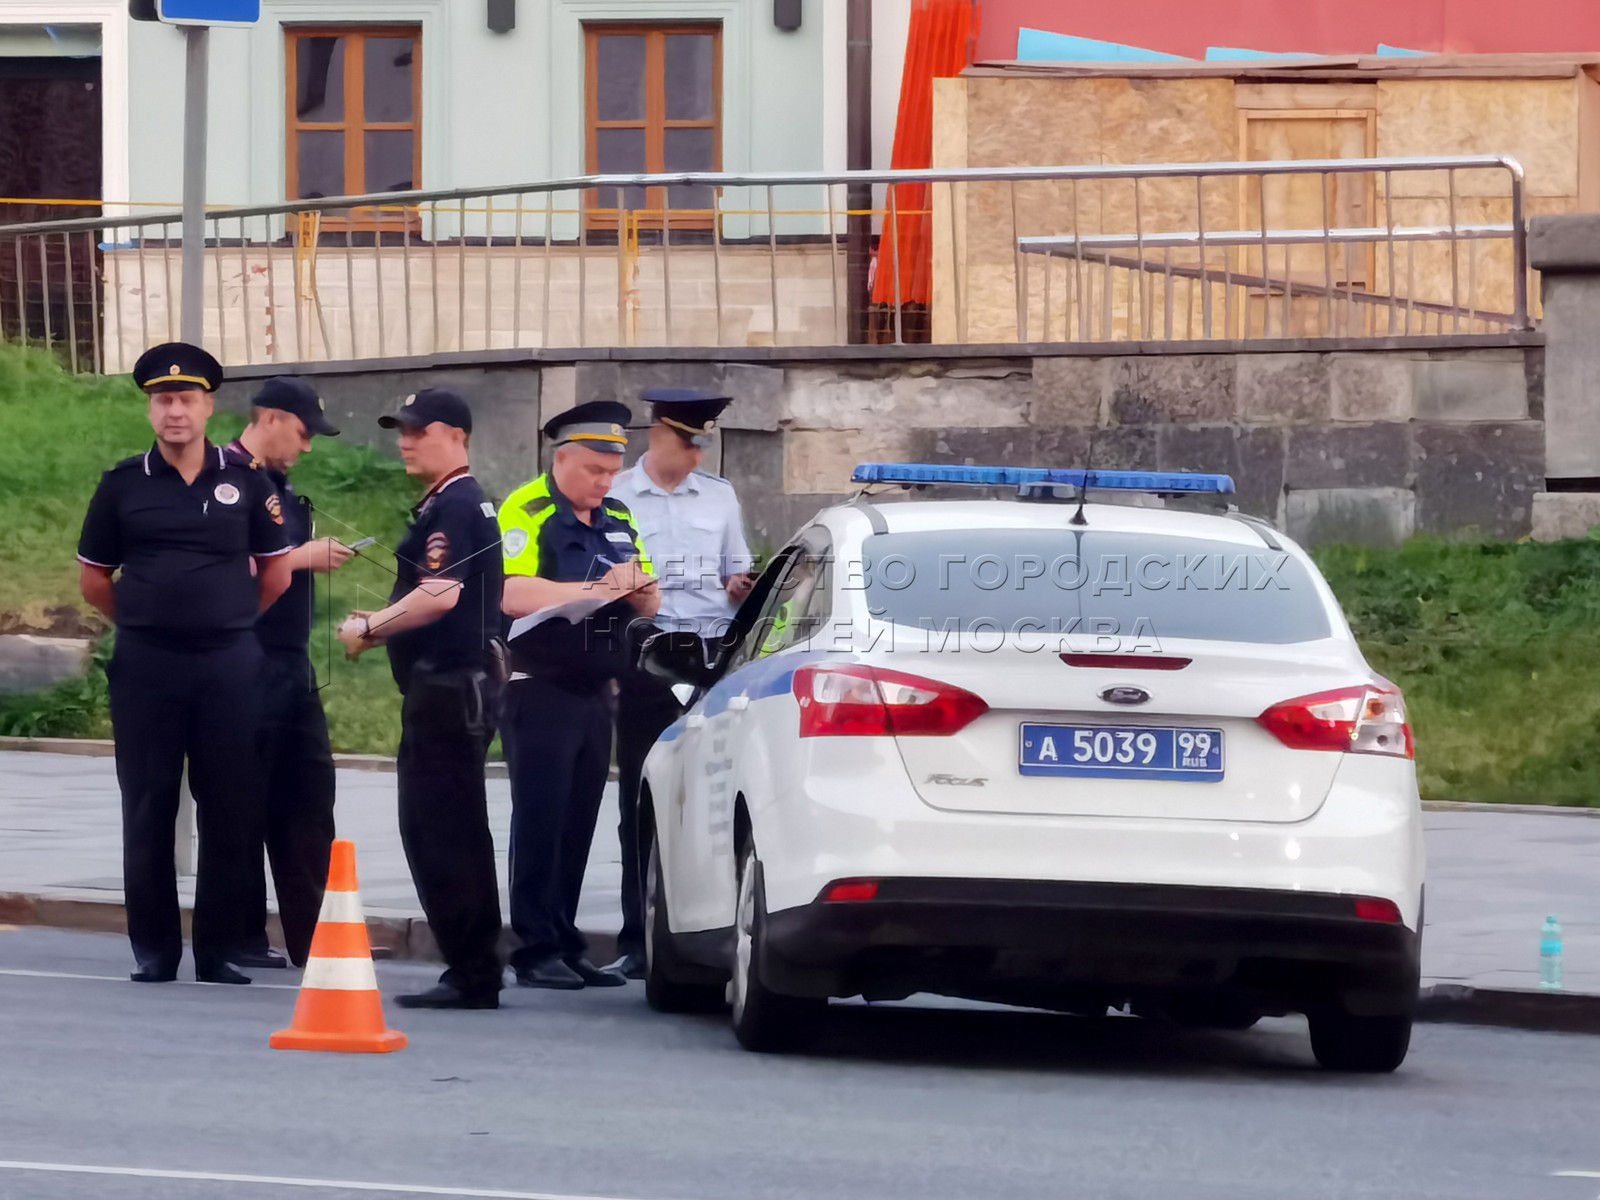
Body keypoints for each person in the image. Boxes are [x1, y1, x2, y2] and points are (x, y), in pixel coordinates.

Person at [76, 342, 293, 985]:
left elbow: (276, 573)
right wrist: (146, 622)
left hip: (229, 665)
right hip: (148, 667)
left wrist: (228, 620)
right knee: (148, 803)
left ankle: (219, 948)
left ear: (208, 407)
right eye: (164, 400)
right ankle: (155, 949)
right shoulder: (122, 484)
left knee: (231, 804)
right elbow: (94, 580)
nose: (175, 411)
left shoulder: (246, 483)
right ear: (151, 409)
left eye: (186, 399)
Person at [336, 389, 505, 1010]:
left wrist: (370, 627)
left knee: (440, 832)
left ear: (456, 436)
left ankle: (471, 970)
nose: (405, 441)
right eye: (401, 431)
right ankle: (475, 965)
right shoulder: (457, 500)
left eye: (418, 430)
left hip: (448, 691)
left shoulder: (455, 505)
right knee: (454, 828)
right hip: (455, 688)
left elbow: (440, 594)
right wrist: (383, 625)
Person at [497, 400, 661, 990]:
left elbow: (651, 597)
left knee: (576, 823)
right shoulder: (529, 508)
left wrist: (637, 588)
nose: (605, 482)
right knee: (540, 820)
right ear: (562, 459)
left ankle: (566, 942)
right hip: (540, 688)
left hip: (596, 690)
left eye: (612, 471)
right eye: (595, 469)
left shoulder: (617, 515)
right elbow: (512, 592)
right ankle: (534, 948)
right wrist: (592, 589)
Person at [603, 388, 756, 979]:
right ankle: (637, 937)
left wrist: (740, 587)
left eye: (702, 446)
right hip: (645, 658)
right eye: (688, 443)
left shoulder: (720, 497)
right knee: (638, 801)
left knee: (712, 799)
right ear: (659, 435)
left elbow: (735, 572)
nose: (697, 455)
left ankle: (705, 927)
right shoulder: (616, 496)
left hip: (708, 660)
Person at [223, 377, 350, 971]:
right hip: (245, 661)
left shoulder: (279, 486)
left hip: (292, 663)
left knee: (309, 797)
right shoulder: (224, 479)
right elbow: (219, 564)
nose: (307, 446)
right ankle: (239, 935)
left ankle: (316, 935)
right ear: (269, 418)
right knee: (242, 801)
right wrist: (302, 556)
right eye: (301, 433)